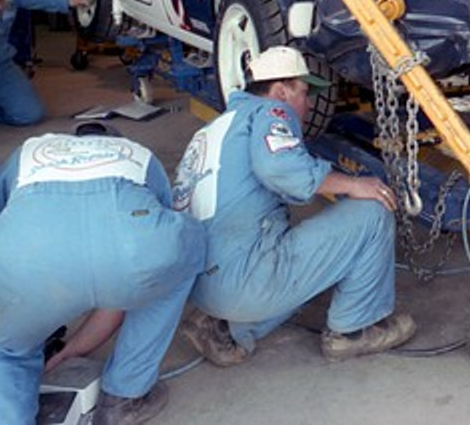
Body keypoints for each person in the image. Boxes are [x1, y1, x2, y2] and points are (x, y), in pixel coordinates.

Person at [172, 45, 415, 365]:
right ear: (280, 91)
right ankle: (353, 331)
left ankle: (223, 326)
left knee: (302, 257)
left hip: (200, 285)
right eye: (304, 92)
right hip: (241, 280)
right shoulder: (271, 111)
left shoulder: (215, 129)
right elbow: (280, 168)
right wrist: (354, 184)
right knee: (373, 211)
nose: (310, 103)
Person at [0, 124, 207, 425]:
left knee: (0, 351)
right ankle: (125, 394)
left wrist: (14, 316)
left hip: (27, 257)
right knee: (179, 257)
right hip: (130, 249)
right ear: (116, 142)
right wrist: (75, 347)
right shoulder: (139, 155)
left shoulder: (30, 152)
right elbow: (146, 269)